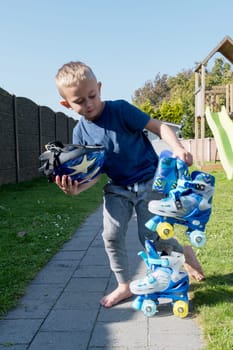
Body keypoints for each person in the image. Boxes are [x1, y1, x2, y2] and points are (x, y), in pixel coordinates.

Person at [54, 61, 204, 308]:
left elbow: (159, 126)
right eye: (79, 101)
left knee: (151, 237)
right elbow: (93, 173)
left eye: (92, 95)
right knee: (111, 235)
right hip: (118, 188)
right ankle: (124, 285)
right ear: (66, 104)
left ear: (99, 88)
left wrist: (177, 148)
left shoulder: (121, 110)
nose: (89, 103)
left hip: (149, 181)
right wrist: (76, 189)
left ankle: (183, 253)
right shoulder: (80, 134)